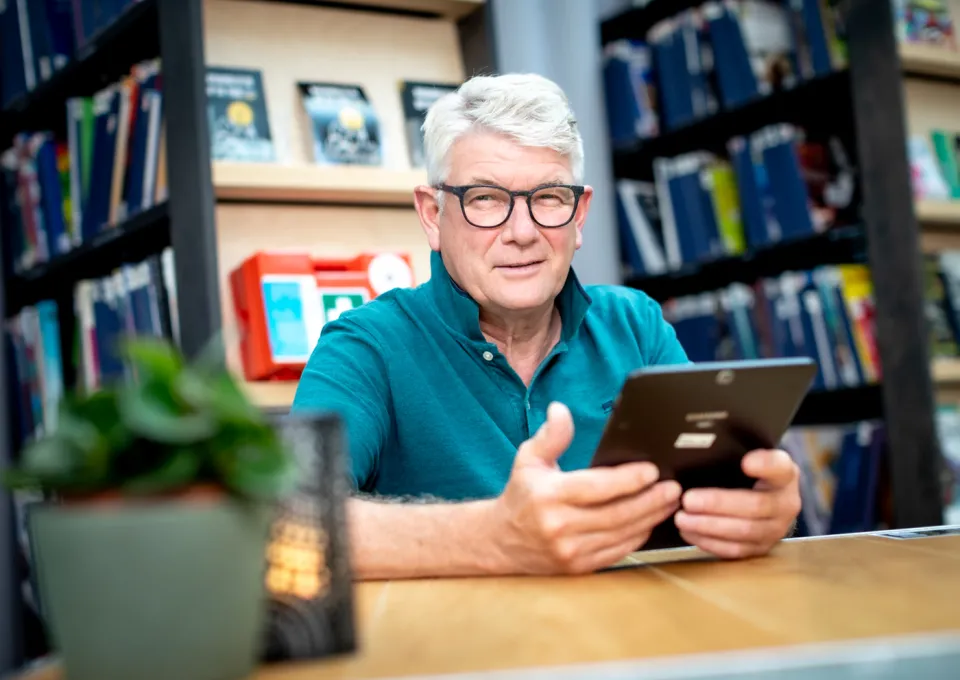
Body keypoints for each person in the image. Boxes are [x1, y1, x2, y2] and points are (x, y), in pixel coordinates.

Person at [291, 73, 801, 580]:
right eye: (485, 198)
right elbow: (286, 520)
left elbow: (718, 487)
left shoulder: (636, 326)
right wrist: (493, 536)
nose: (522, 233)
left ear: (579, 216)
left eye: (550, 197)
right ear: (432, 215)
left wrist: (760, 507)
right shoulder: (365, 347)